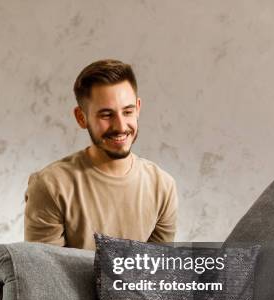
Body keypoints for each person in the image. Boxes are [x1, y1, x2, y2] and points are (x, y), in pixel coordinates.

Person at [24, 59, 178, 250]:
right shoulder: (50, 186)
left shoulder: (163, 187)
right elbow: (44, 275)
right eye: (106, 115)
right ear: (82, 118)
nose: (121, 126)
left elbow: (155, 275)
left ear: (138, 108)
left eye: (128, 111)